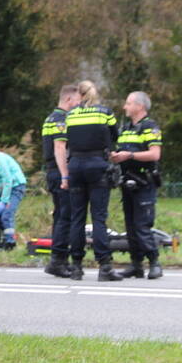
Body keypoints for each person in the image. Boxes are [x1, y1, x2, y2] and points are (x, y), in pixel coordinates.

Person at [59, 80, 122, 281]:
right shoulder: (104, 113)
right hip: (97, 166)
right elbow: (115, 135)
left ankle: (76, 266)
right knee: (98, 217)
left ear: (79, 94)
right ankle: (104, 266)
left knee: (77, 217)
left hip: (76, 165)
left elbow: (67, 139)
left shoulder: (70, 115)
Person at [110, 91, 164, 279]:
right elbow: (121, 151)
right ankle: (136, 264)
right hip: (127, 182)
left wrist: (130, 156)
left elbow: (155, 154)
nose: (125, 107)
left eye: (128, 103)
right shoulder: (126, 129)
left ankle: (154, 262)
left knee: (142, 225)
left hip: (143, 182)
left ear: (139, 106)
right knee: (131, 226)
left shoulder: (150, 127)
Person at [42, 84, 81, 278]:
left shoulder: (50, 117)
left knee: (60, 216)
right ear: (68, 100)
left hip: (52, 171)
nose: (78, 105)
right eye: (77, 102)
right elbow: (60, 148)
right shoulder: (61, 119)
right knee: (65, 216)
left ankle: (58, 258)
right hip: (59, 172)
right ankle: (58, 260)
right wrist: (65, 175)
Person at [0, 147, 26, 247]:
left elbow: (8, 179)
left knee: (6, 215)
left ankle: (10, 243)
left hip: (15, 186)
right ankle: (1, 241)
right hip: (6, 189)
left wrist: (4, 201)